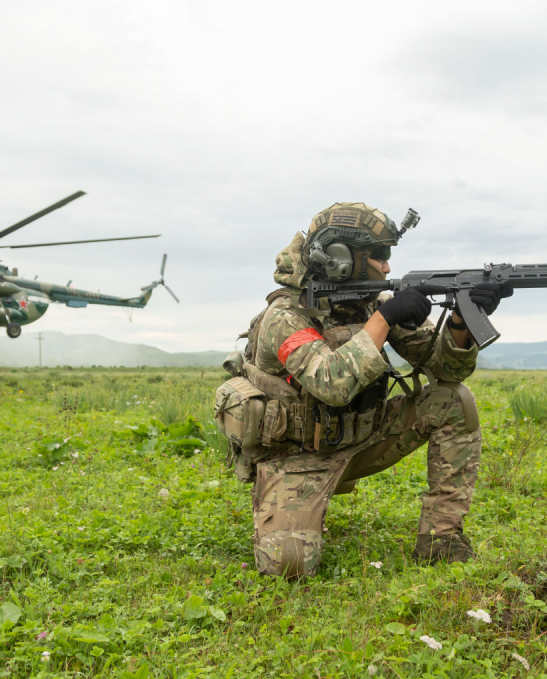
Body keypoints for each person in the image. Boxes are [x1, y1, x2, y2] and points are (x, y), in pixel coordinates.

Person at [219, 202, 512, 579]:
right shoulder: (285, 317)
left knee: (454, 401)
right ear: (340, 256)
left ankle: (443, 539)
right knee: (288, 567)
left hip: (362, 439)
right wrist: (384, 319)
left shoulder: (372, 304)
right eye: (379, 256)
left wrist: (460, 321)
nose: (388, 266)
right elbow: (331, 382)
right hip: (296, 458)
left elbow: (447, 370)